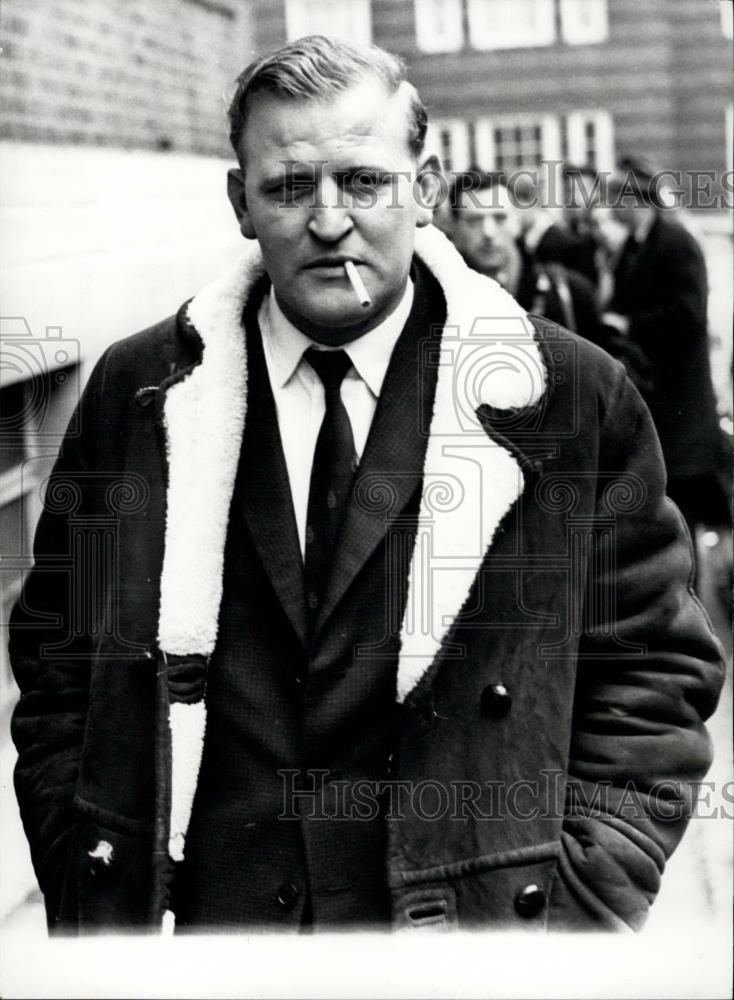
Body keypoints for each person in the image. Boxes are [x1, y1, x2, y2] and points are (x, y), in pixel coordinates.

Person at [9, 36, 724, 935]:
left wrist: (573, 906)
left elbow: (654, 670)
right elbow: (56, 660)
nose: (329, 219)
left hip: (463, 951)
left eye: (364, 181)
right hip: (203, 951)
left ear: (425, 190)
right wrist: (90, 870)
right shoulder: (139, 394)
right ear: (240, 203)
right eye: (288, 186)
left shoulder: (564, 398)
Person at [601, 156, 728, 533]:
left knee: (683, 514)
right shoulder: (631, 249)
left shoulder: (677, 243)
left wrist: (630, 325)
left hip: (682, 407)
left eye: (615, 197)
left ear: (635, 200)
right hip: (655, 399)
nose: (610, 206)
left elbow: (689, 313)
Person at [448, 169, 604, 348]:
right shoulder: (439, 303)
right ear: (455, 227)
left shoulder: (568, 293)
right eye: (474, 221)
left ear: (517, 219)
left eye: (500, 218)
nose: (488, 232)